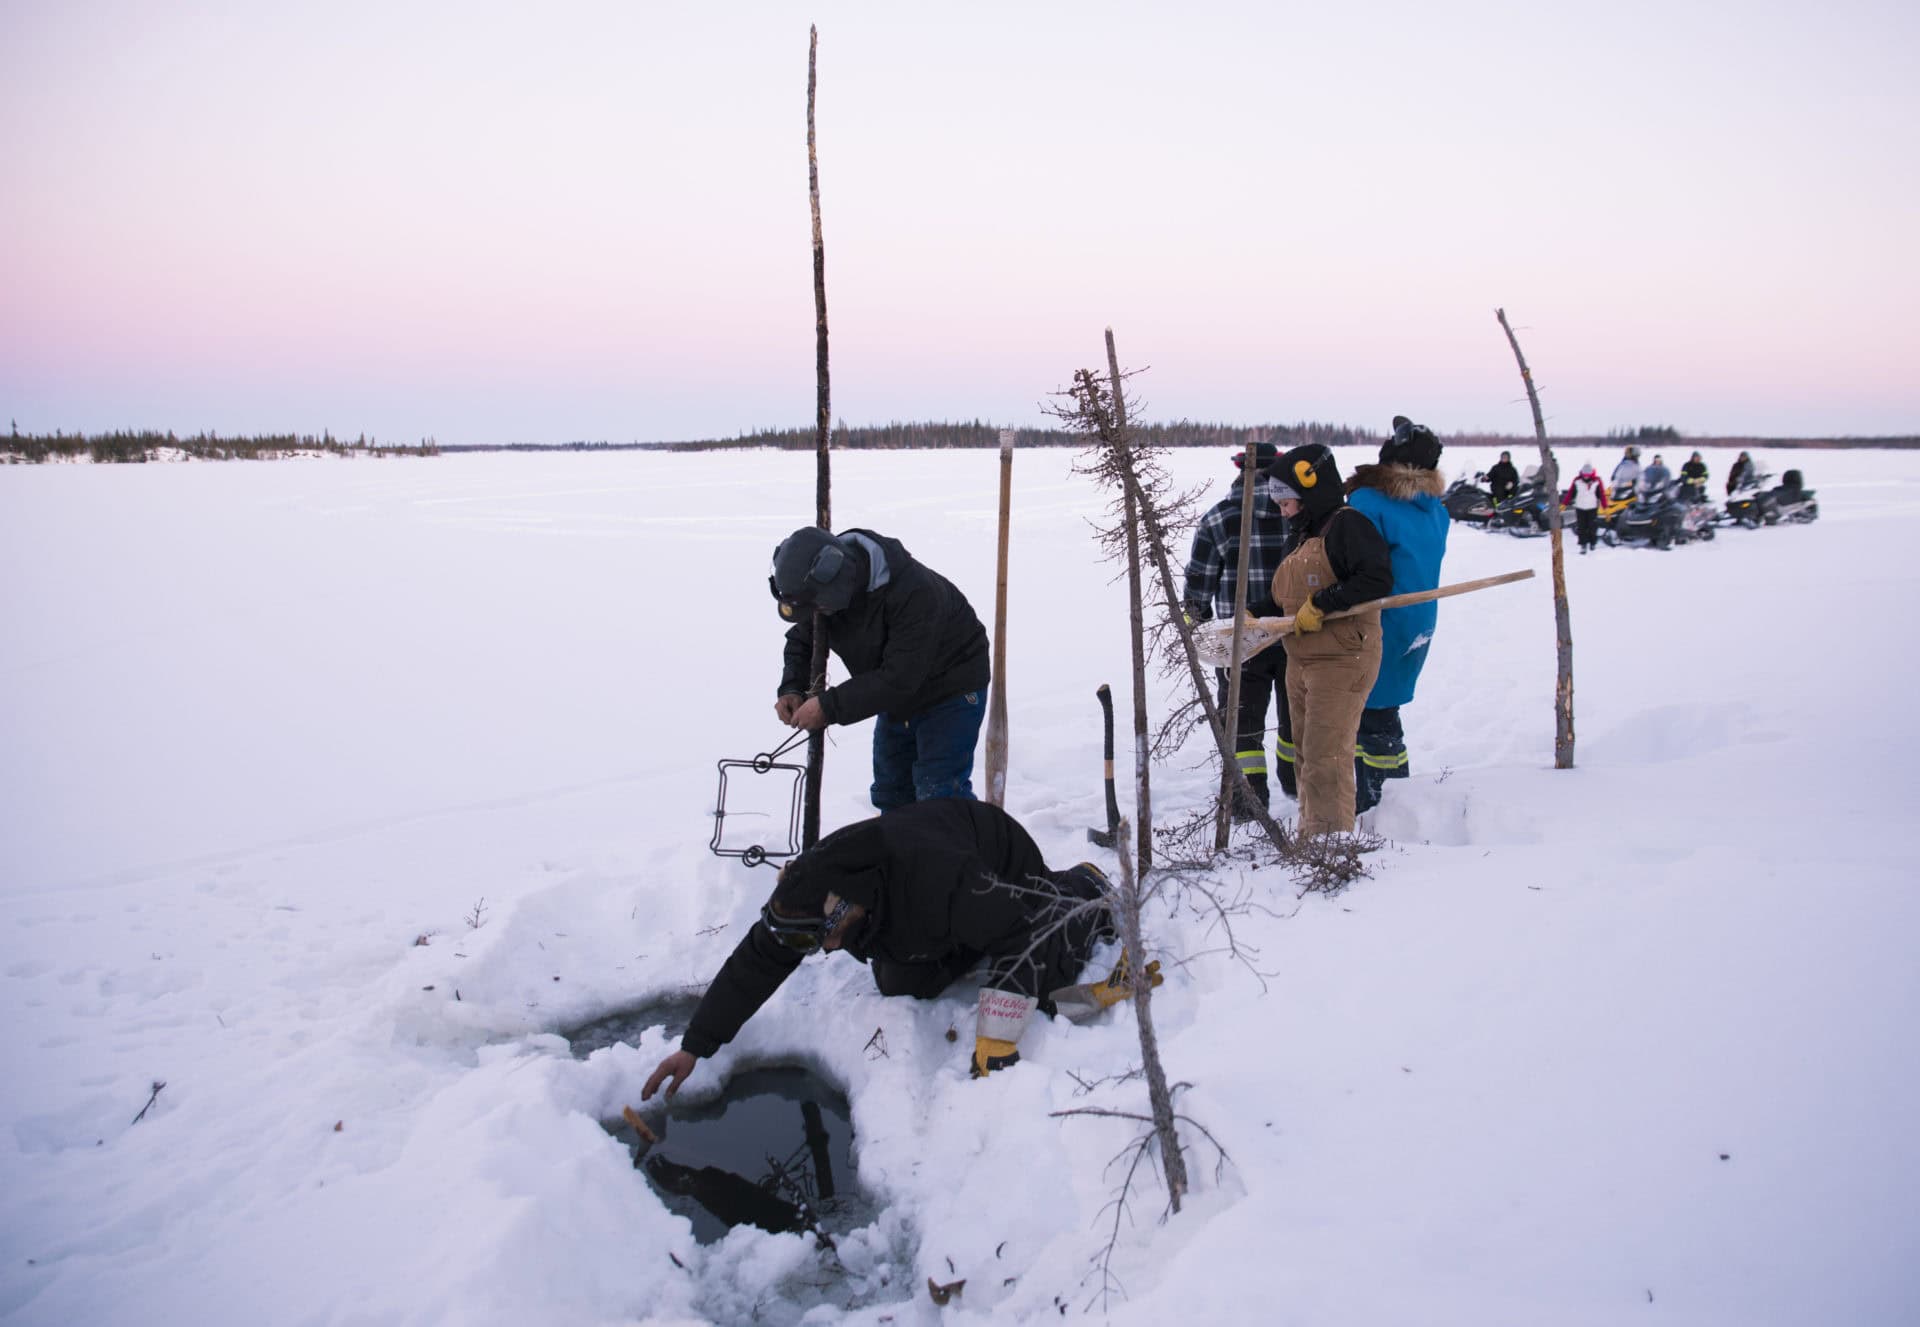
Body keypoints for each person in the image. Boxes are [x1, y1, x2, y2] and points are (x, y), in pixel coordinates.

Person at [641, 800, 1151, 1092]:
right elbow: (756, 962)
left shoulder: (944, 881)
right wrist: (695, 1046)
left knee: (1044, 979)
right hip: (933, 894)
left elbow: (1017, 939)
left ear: (846, 907)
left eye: (822, 939)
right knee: (902, 979)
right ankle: (974, 936)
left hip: (1002, 860)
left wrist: (997, 1036)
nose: (819, 951)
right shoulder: (808, 897)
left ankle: (1079, 889)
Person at [770, 527, 990, 811]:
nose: (816, 616)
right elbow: (803, 639)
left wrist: (828, 706)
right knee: (892, 790)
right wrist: (792, 687)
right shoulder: (822, 594)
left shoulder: (915, 593)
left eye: (819, 609)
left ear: (837, 588)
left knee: (940, 792)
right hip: (894, 692)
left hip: (951, 688)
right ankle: (901, 853)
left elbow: (900, 678)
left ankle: (961, 851)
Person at [1265, 443, 1393, 836]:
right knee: (1305, 753)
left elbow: (1376, 579)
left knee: (1327, 756)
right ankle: (1313, 835)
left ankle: (1332, 850)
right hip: (1302, 660)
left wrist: (1322, 603)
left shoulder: (1348, 525)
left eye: (1287, 501)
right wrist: (1255, 612)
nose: (1282, 510)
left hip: (1342, 659)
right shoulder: (1303, 533)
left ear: (1310, 492)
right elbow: (1285, 596)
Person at [1342, 417, 1449, 815]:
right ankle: (1385, 799)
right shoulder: (1434, 509)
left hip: (1380, 621)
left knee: (1369, 715)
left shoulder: (1370, 503)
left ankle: (1383, 804)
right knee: (1379, 711)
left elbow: (1355, 562)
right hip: (1418, 621)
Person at [1182, 439, 1294, 817]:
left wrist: (1195, 628)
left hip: (1239, 644)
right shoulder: (1297, 514)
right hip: (1297, 635)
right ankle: (1297, 784)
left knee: (1242, 725)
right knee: (1297, 716)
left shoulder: (1219, 518)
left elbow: (1199, 585)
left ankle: (1247, 802)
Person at [1563, 462, 1607, 553]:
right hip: (1580, 507)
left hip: (1592, 507)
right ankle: (1583, 545)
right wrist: (1564, 504)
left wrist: (1605, 506)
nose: (1586, 477)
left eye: (1588, 475)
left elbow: (1601, 494)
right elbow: (1571, 493)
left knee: (1592, 526)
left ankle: (1592, 543)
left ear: (1591, 474)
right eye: (1584, 475)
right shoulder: (1577, 481)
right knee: (1581, 527)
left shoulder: (1597, 481)